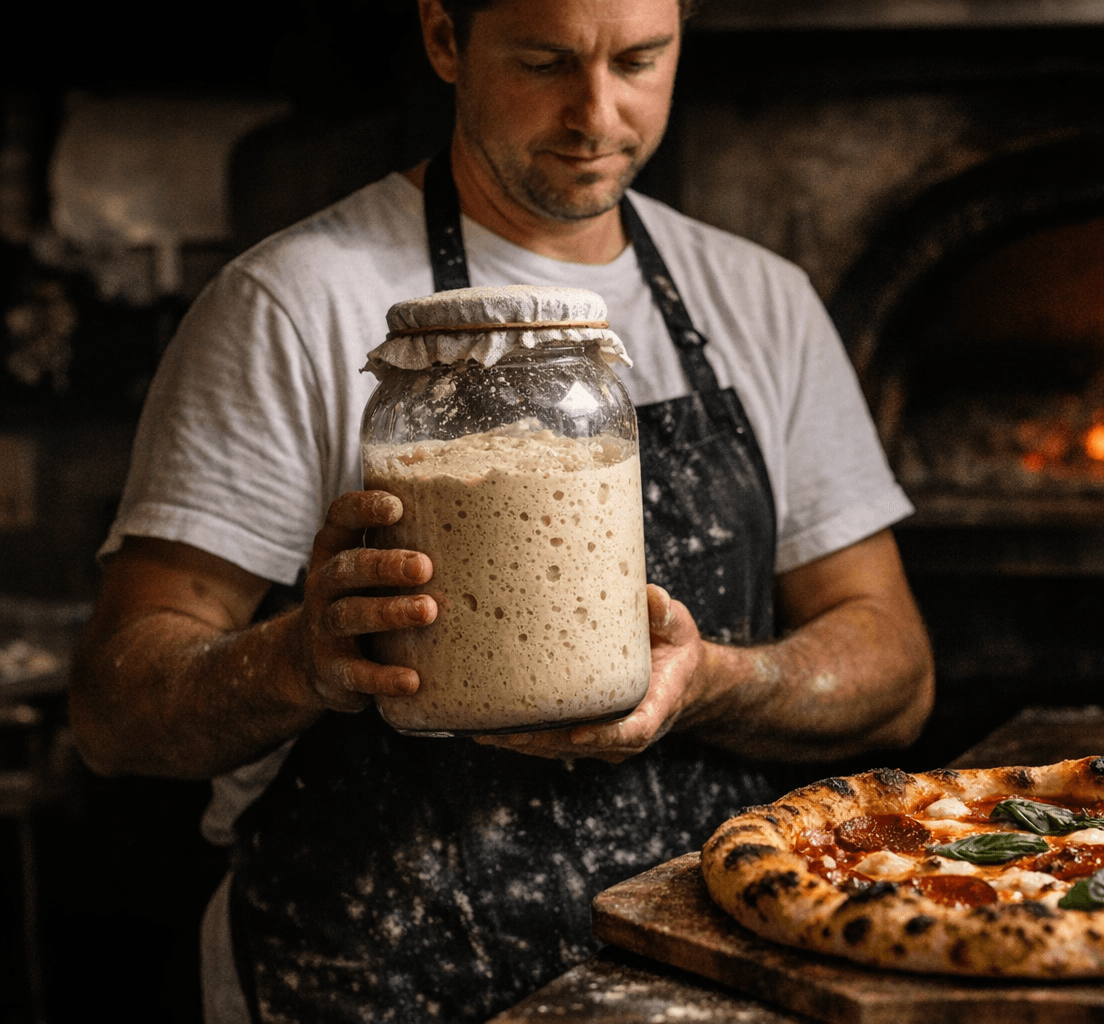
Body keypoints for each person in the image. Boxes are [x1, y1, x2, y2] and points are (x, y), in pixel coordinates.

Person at [67, 0, 935, 1020]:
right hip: (371, 978)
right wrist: (302, 655)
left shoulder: (761, 302)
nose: (597, 114)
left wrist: (712, 682)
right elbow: (115, 709)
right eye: (544, 61)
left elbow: (896, 671)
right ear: (444, 40)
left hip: (697, 984)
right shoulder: (294, 307)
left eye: (641, 60)